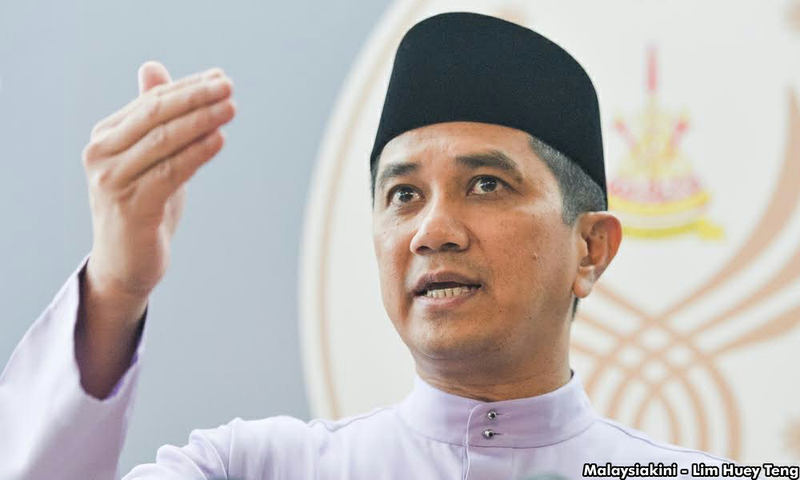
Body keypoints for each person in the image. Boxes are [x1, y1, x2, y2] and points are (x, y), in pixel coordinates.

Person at [0, 11, 736, 480]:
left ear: (592, 248)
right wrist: (116, 288)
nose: (432, 231)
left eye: (485, 184)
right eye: (404, 195)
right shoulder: (255, 469)